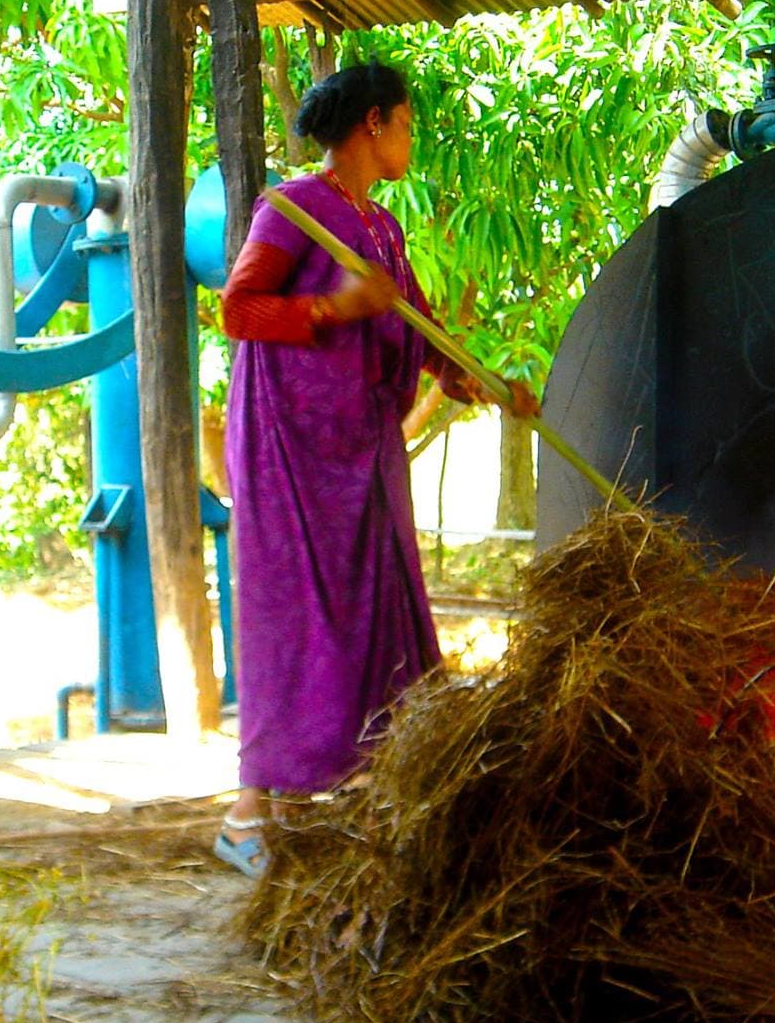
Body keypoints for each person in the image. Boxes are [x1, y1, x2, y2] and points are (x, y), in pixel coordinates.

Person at [213, 60, 535, 878]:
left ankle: (367, 783)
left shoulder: (380, 226)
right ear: (375, 125)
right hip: (295, 446)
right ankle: (247, 815)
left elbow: (422, 333)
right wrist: (331, 308)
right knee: (297, 609)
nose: (411, 139)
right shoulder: (291, 209)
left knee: (381, 606)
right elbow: (239, 310)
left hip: (363, 442)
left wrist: (489, 385)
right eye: (408, 123)